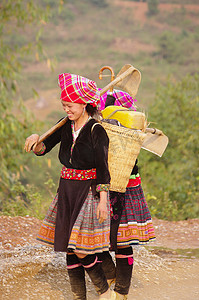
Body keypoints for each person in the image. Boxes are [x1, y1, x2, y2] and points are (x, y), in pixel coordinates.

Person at [24, 73, 112, 300]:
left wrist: (103, 200)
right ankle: (78, 296)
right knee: (69, 248)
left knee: (81, 247)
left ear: (84, 104)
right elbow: (43, 149)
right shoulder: (64, 125)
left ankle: (104, 291)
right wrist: (36, 140)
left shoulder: (96, 130)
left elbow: (103, 167)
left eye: (70, 105)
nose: (67, 110)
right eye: (64, 105)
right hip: (66, 189)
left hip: (88, 191)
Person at [98, 90, 156, 300]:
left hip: (126, 185)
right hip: (104, 184)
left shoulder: (131, 129)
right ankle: (113, 278)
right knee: (96, 236)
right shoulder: (101, 126)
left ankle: (121, 290)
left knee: (122, 238)